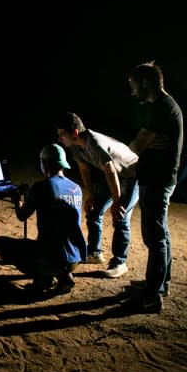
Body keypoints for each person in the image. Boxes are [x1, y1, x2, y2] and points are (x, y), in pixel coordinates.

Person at [123, 61, 183, 313]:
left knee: (155, 235)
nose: (132, 91)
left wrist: (118, 154)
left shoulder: (161, 108)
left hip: (158, 180)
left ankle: (154, 294)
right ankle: (160, 283)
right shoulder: (163, 107)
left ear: (146, 82)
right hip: (159, 178)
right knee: (161, 232)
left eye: (134, 85)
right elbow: (146, 141)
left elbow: (139, 143)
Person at [0, 144, 86, 295]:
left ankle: (44, 278)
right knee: (52, 243)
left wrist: (18, 200)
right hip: (75, 257)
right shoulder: (76, 188)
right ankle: (64, 276)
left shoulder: (41, 187)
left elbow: (21, 216)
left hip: (52, 258)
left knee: (2, 243)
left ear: (45, 163)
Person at [55, 112, 139, 279]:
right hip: (115, 174)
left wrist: (116, 201)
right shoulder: (75, 147)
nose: (59, 139)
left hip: (133, 175)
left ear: (75, 133)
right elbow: (84, 169)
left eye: (62, 134)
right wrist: (92, 195)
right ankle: (94, 253)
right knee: (94, 211)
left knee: (120, 216)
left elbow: (110, 171)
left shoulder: (95, 143)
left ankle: (119, 262)